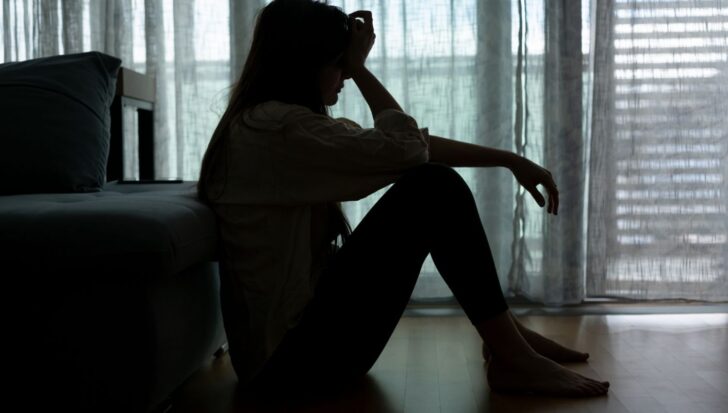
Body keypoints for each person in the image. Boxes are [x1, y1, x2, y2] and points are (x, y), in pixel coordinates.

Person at [198, 0, 609, 399]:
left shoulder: (274, 126)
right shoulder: (277, 130)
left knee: (431, 185)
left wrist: (509, 160)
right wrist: (361, 69)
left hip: (292, 356)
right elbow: (407, 148)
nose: (342, 75)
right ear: (306, 62)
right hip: (289, 368)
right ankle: (511, 352)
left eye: (346, 64)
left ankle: (508, 339)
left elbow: (409, 147)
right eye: (338, 63)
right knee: (434, 189)